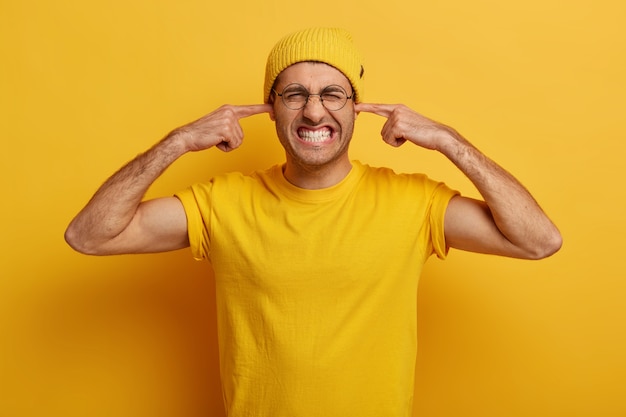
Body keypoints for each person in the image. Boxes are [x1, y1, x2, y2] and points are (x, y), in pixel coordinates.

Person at [65, 27, 561, 417]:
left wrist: (450, 141)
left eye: (334, 94)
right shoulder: (223, 203)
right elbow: (88, 235)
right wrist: (177, 142)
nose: (314, 111)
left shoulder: (412, 202)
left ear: (356, 107)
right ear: (271, 108)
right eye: (295, 94)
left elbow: (539, 240)